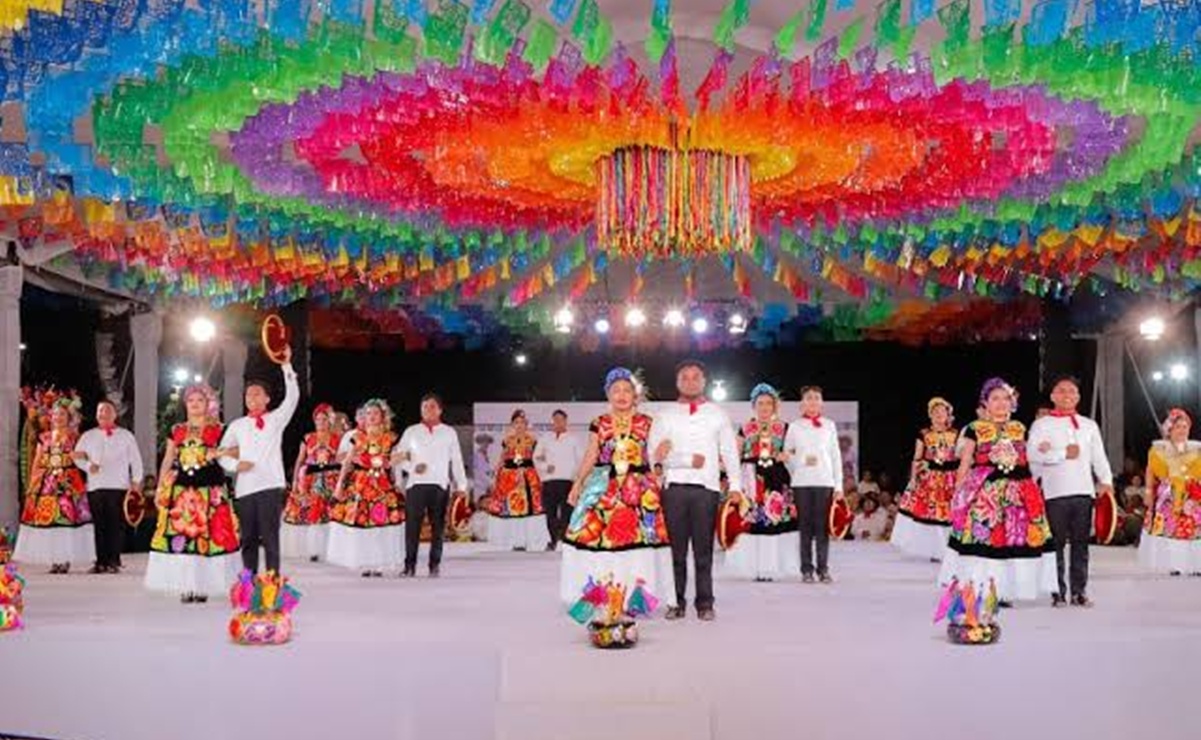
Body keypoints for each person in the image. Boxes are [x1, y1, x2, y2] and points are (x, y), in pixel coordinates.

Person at [560, 367, 673, 605]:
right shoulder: (598, 423)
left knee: (639, 541)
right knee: (598, 538)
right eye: (615, 390)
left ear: (635, 395)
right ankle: (603, 593)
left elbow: (655, 456)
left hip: (640, 489)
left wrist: (660, 468)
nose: (621, 395)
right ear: (608, 394)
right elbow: (592, 454)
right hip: (605, 487)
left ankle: (637, 597)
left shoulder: (648, 423)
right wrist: (578, 482)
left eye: (626, 390)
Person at [939, 378, 1056, 605]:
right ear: (986, 403)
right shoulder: (975, 428)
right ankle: (981, 587)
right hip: (987, 492)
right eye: (995, 399)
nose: (1001, 403)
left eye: (1005, 398)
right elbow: (965, 462)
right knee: (986, 539)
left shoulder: (1020, 428)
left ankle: (1006, 590)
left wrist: (1041, 455)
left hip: (1019, 492)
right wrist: (958, 494)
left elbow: (1028, 458)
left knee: (1015, 540)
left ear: (1012, 402)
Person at [650, 360, 742, 621]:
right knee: (675, 552)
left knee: (704, 550)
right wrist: (679, 460)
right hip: (674, 489)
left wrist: (735, 486)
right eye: (685, 377)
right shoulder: (664, 415)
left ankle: (705, 602)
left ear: (704, 382)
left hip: (706, 489)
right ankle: (675, 601)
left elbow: (729, 453)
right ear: (677, 382)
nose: (690, 381)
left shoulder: (717, 414)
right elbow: (654, 457)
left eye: (695, 377)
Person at [144, 384, 241, 603]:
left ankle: (204, 586)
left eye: (200, 400)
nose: (195, 404)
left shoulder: (221, 428)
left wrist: (219, 451)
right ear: (186, 404)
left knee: (207, 539)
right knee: (184, 538)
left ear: (208, 404)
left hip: (211, 490)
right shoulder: (176, 429)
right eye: (191, 400)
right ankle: (187, 586)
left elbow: (239, 449)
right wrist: (160, 486)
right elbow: (169, 459)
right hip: (182, 492)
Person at [1028, 376, 1114, 607]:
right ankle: (1057, 591)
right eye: (1062, 391)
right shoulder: (1041, 425)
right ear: (1053, 396)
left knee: (1081, 544)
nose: (1067, 395)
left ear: (1078, 396)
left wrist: (1106, 481)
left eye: (1072, 391)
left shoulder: (1088, 425)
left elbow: (1098, 456)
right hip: (1054, 493)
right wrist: (1061, 453)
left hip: (1083, 491)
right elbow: (1033, 456)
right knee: (1054, 544)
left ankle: (1079, 591)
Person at [219, 347, 299, 575]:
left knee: (271, 539)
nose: (251, 398)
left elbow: (293, 397)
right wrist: (236, 466)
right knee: (248, 539)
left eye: (256, 394)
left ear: (267, 398)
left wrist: (286, 365)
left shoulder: (276, 419)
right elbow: (222, 454)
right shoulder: (237, 425)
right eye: (248, 394)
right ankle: (248, 584)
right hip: (245, 488)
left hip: (271, 486)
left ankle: (273, 585)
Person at [723, 383, 798, 582]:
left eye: (768, 403)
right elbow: (735, 454)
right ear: (754, 405)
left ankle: (772, 567)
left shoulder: (784, 428)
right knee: (752, 521)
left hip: (776, 477)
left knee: (774, 520)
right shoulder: (745, 428)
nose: (764, 407)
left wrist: (786, 455)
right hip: (751, 477)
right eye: (760, 403)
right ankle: (750, 567)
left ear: (775, 406)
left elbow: (794, 452)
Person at [15, 397, 94, 573]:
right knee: (50, 520)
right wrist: (33, 484)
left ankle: (65, 559)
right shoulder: (44, 438)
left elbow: (85, 457)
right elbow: (37, 461)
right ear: (51, 417)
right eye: (56, 414)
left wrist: (81, 458)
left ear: (69, 417)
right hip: (47, 483)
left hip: (69, 482)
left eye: (63, 414)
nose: (58, 417)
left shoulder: (75, 437)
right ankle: (54, 559)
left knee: (67, 520)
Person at [327, 399, 406, 577]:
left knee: (381, 522)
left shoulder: (391, 438)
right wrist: (339, 485)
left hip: (383, 486)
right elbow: (347, 462)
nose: (371, 416)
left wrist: (399, 483)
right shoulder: (357, 437)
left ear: (383, 416)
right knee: (362, 522)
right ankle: (366, 561)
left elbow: (395, 463)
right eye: (368, 413)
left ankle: (379, 563)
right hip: (361, 484)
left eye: (375, 413)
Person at [396, 394, 469, 577]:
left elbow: (457, 460)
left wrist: (462, 485)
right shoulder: (411, 431)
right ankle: (409, 565)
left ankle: (434, 564)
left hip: (440, 485)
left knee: (438, 527)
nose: (428, 410)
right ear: (421, 410)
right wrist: (412, 467)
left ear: (440, 410)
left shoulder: (449, 432)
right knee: (412, 527)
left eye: (432, 406)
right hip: (416, 485)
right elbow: (399, 457)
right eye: (425, 407)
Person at [73, 400, 144, 574]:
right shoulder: (87, 436)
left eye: (107, 410)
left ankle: (114, 560)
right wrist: (89, 467)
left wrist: (136, 481)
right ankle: (101, 561)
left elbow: (135, 459)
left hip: (119, 485)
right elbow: (77, 457)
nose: (103, 413)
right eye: (100, 411)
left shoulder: (126, 435)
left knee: (116, 524)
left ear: (114, 414)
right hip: (96, 486)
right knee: (99, 524)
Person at [784, 386, 844, 583]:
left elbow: (835, 456)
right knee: (805, 528)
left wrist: (839, 486)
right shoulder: (794, 426)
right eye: (808, 398)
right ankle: (806, 569)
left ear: (822, 402)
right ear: (802, 402)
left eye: (816, 398)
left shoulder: (829, 425)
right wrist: (799, 466)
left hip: (825, 481)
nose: (812, 401)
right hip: (801, 482)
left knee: (822, 529)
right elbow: (788, 455)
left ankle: (823, 568)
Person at [891, 397, 958, 561]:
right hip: (930, 478)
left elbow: (961, 456)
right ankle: (934, 550)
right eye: (935, 412)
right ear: (930, 415)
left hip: (950, 478)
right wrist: (913, 479)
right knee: (931, 515)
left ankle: (949, 549)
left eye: (942, 411)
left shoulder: (955, 433)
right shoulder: (924, 434)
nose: (939, 415)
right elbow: (917, 457)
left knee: (949, 515)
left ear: (948, 414)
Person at [1138, 408, 1201, 575]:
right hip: (1168, 495)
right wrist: (1148, 492)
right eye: (1178, 426)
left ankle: (1195, 565)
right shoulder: (1158, 450)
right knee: (1170, 528)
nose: (1182, 430)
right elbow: (1150, 472)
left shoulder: (1197, 449)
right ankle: (1173, 565)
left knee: (1194, 530)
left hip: (1193, 494)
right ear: (1169, 430)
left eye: (1185, 426)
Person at [281, 403, 341, 562]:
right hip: (310, 479)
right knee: (313, 513)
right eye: (318, 419)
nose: (320, 422)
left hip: (331, 479)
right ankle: (314, 549)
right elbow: (300, 460)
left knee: (331, 513)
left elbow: (341, 459)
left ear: (330, 421)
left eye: (324, 419)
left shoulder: (337, 438)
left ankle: (330, 548)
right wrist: (294, 481)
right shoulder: (308, 438)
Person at [485, 409, 548, 551]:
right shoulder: (507, 440)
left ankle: (527, 540)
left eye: (522, 422)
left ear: (526, 424)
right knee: (510, 508)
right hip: (508, 477)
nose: (519, 425)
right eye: (516, 422)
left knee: (528, 508)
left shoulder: (532, 440)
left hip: (527, 477)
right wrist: (496, 472)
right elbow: (503, 457)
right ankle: (513, 540)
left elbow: (538, 458)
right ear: (512, 424)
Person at [535, 410, 582, 551]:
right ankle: (553, 539)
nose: (558, 423)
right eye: (555, 420)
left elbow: (580, 460)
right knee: (550, 512)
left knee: (567, 511)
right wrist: (545, 467)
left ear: (566, 421)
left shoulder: (573, 439)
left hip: (568, 480)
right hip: (549, 480)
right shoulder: (545, 438)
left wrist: (578, 478)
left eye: (561, 420)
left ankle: (565, 539)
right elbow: (538, 456)